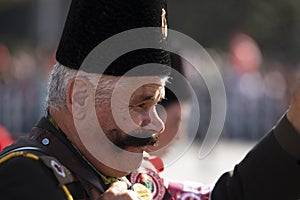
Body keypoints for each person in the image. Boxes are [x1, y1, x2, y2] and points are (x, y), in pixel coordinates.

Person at [0, 0, 300, 200]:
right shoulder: (23, 175)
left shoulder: (123, 177)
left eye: (156, 103)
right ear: (79, 98)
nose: (157, 123)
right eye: (140, 104)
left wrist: (294, 126)